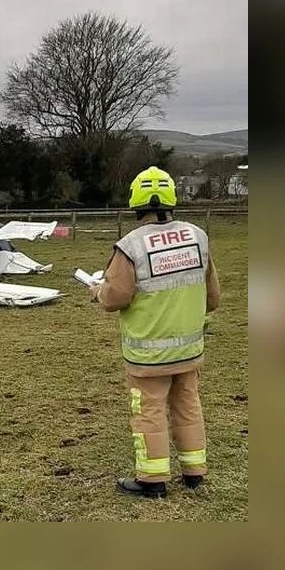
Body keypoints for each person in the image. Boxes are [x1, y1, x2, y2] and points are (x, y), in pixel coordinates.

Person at [91, 166, 221, 498]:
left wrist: (98, 290)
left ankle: (152, 480)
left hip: (148, 355)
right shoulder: (198, 237)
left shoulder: (130, 246)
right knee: (188, 406)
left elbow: (114, 298)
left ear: (136, 202)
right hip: (189, 350)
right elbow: (213, 298)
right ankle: (194, 472)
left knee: (148, 412)